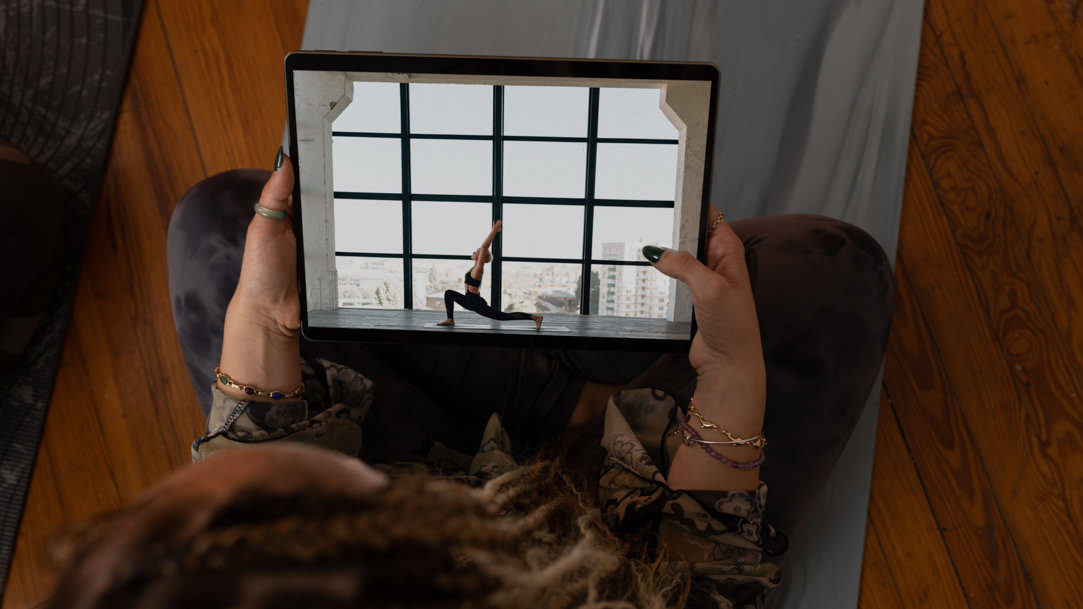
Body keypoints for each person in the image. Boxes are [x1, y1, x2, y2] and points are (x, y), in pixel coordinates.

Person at [46, 148, 893, 609]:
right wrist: (732, 376)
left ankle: (549, 383)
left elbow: (249, 442)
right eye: (291, 481)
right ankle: (583, 394)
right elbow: (700, 572)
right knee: (833, 276)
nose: (231, 439)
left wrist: (262, 321)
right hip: (609, 525)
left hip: (430, 465)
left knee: (230, 226)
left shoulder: (203, 569)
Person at [437, 219, 544, 331]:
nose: (474, 252)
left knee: (503, 316)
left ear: (481, 257)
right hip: (468, 301)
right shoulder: (473, 268)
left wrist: (493, 231)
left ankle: (535, 317)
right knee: (448, 293)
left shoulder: (478, 269)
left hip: (476, 303)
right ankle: (450, 319)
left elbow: (484, 247)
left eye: (477, 252)